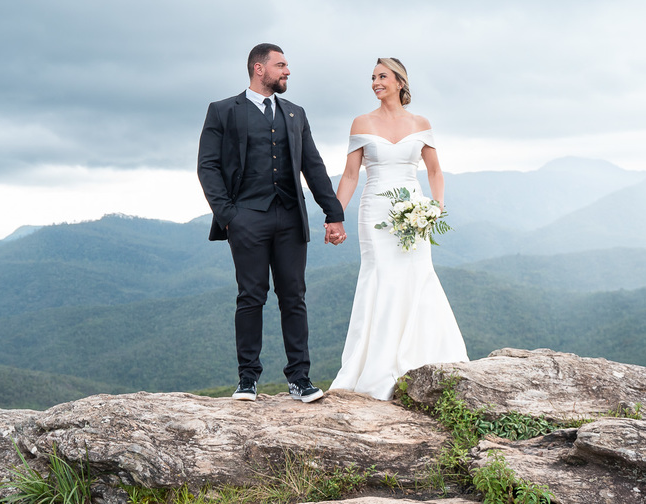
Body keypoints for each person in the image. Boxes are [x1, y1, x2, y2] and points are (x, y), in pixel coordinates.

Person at [197, 43, 347, 403]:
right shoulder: (222, 111)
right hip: (246, 218)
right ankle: (247, 380)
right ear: (258, 69)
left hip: (290, 218)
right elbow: (208, 166)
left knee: (294, 297)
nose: (287, 71)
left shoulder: (295, 114)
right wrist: (229, 216)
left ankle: (300, 379)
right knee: (251, 297)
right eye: (281, 65)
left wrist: (334, 213)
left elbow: (313, 166)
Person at [329, 57, 468, 400]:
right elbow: (350, 175)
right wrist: (335, 216)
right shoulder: (361, 122)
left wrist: (435, 206)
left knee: (417, 276)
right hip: (375, 211)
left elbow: (435, 171)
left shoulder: (421, 123)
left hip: (414, 210)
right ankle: (375, 368)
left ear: (400, 82)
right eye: (373, 77)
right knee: (381, 278)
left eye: (382, 76)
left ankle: (423, 357)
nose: (375, 82)